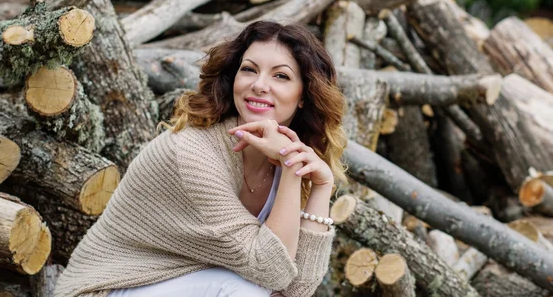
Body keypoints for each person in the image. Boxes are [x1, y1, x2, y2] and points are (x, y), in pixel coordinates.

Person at [53, 20, 348, 297]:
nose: (259, 84)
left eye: (280, 75)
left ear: (304, 95)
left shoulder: (284, 156)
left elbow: (298, 288)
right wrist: (290, 165)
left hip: (186, 285)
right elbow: (270, 271)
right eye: (249, 70)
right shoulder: (192, 154)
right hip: (108, 288)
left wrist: (322, 187)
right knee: (242, 292)